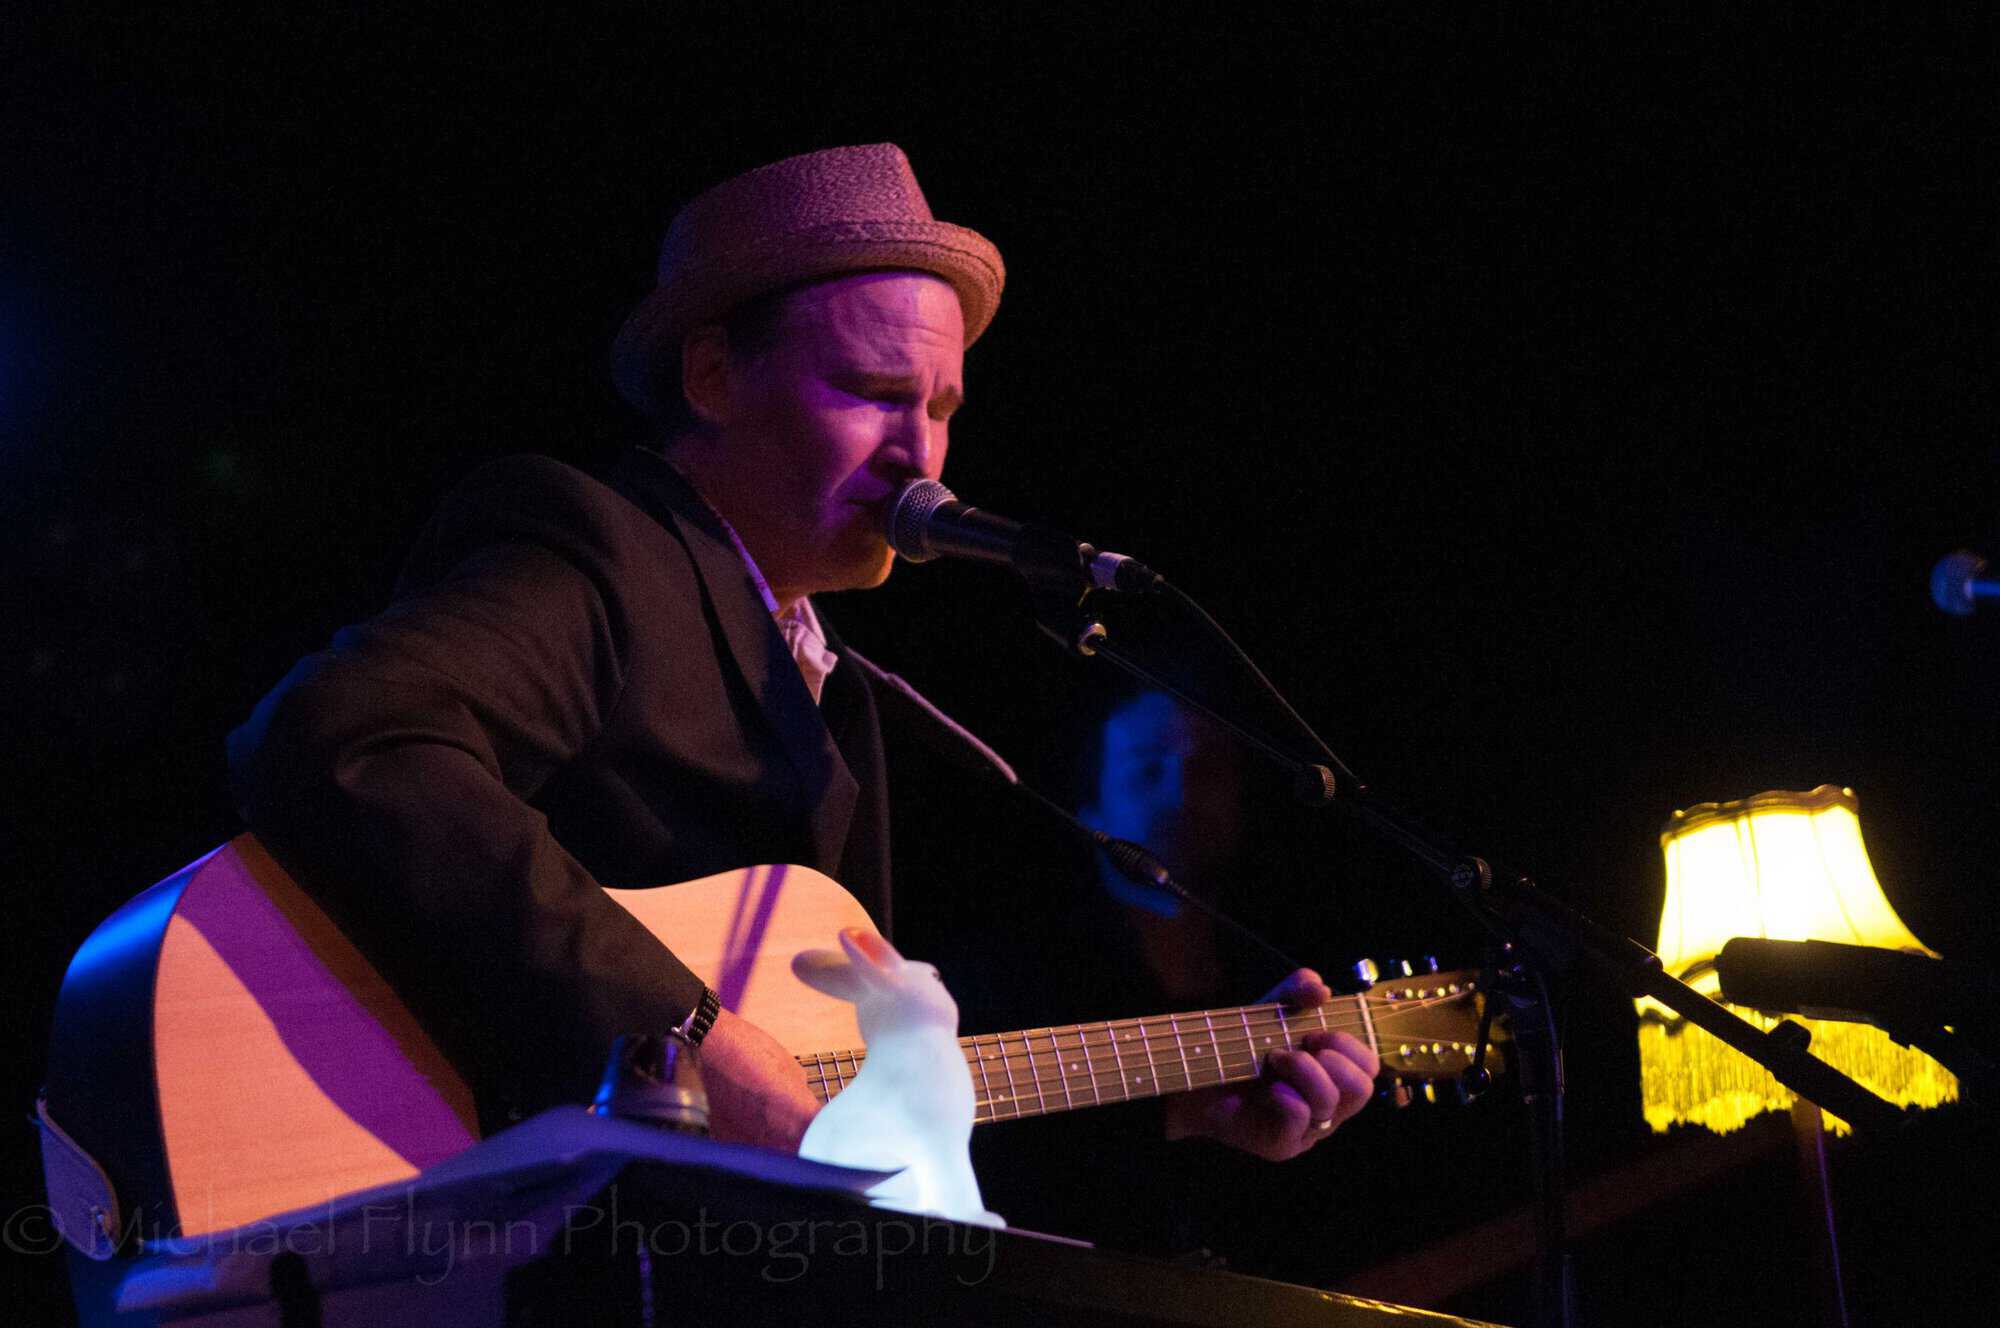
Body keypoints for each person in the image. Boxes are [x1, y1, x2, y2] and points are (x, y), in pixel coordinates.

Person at [228, 143, 1376, 1169]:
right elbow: (348, 734)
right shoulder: (600, 553)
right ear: (713, 376)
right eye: (873, 392)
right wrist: (681, 1029)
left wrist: (1174, 1109)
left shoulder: (839, 694)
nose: (920, 454)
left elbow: (835, 1105)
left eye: (940, 407)